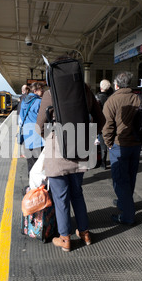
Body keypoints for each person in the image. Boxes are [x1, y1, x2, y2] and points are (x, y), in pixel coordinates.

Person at [36, 73, 105, 252]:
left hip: (57, 154)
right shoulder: (85, 91)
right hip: (80, 150)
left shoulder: (51, 94)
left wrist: (51, 135)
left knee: (60, 198)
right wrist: (87, 136)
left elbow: (39, 126)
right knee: (77, 193)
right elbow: (101, 120)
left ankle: (65, 238)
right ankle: (85, 233)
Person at [102, 71, 142, 225]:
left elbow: (107, 127)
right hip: (136, 144)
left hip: (120, 145)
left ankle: (127, 215)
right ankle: (125, 202)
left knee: (119, 180)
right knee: (131, 177)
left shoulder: (112, 101)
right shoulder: (138, 98)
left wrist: (109, 143)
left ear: (116, 84)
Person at [19, 83, 45, 177]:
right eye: (41, 89)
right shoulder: (39, 102)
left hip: (28, 137)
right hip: (38, 138)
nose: (43, 91)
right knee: (40, 163)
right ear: (35, 91)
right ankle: (40, 187)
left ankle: (32, 186)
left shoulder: (24, 101)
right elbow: (44, 119)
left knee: (31, 163)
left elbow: (21, 120)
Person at [96, 79, 113, 169]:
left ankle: (103, 162)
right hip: (110, 122)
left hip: (101, 123)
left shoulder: (97, 97)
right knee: (110, 142)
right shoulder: (112, 97)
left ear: (100, 87)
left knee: (102, 143)